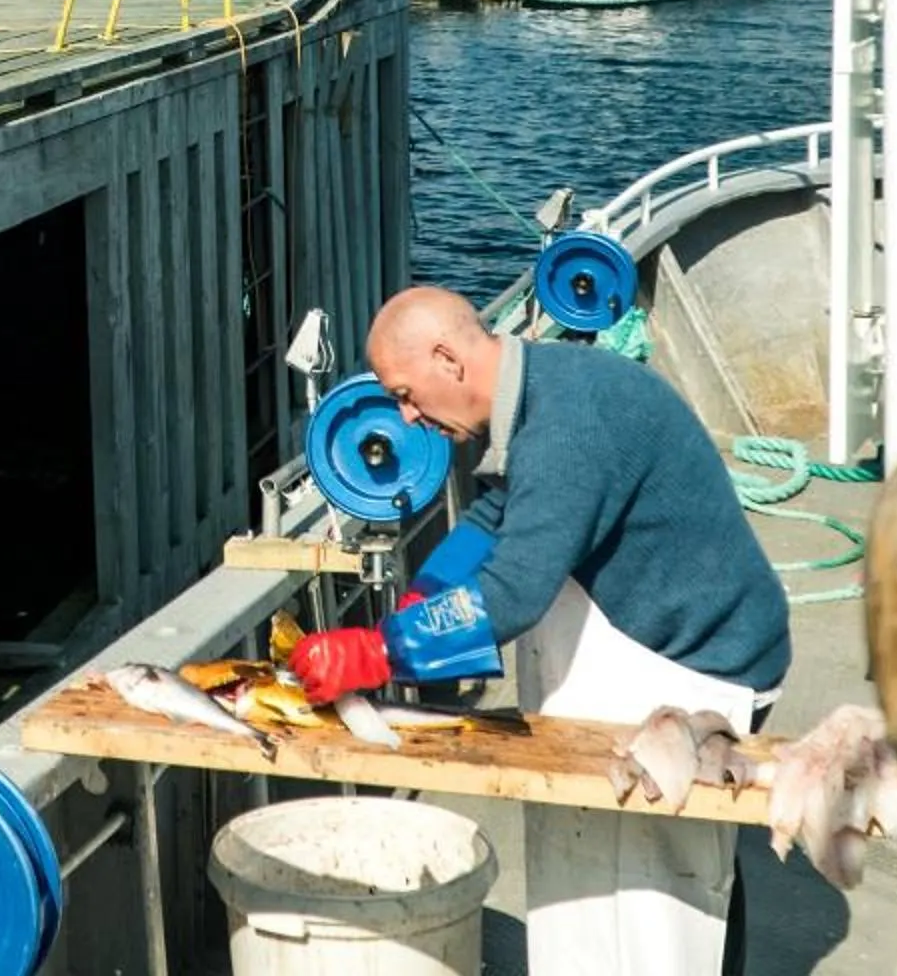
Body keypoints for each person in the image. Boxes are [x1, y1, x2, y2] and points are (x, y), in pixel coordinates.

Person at [289, 286, 792, 973]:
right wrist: (425, 596)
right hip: (657, 631)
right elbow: (497, 518)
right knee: (624, 875)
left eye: (407, 393)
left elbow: (515, 593)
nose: (407, 415)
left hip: (705, 663)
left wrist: (379, 651)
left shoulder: (567, 425)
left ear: (448, 358)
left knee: (672, 888)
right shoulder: (543, 388)